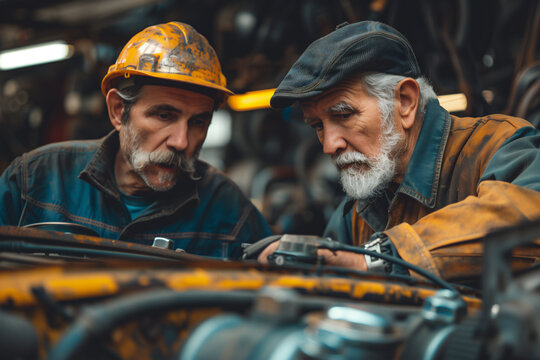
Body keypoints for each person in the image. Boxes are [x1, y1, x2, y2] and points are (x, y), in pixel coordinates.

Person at [259, 21, 540, 283]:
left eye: (343, 114)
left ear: (405, 102)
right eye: (317, 125)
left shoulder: (498, 144)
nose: (329, 145)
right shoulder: (357, 212)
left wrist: (380, 257)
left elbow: (529, 221)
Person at [0, 21, 273, 259]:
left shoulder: (228, 210)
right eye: (165, 115)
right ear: (118, 111)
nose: (181, 141)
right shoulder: (33, 181)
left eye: (198, 122)